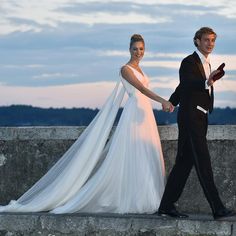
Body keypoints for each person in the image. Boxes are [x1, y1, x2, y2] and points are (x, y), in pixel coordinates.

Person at [0, 34, 173, 214]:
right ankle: (131, 200)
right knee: (132, 156)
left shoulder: (142, 70)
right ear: (129, 50)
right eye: (135, 49)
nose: (138, 52)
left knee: (145, 156)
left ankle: (147, 197)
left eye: (141, 49)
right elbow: (142, 89)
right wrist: (163, 100)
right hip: (133, 112)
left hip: (145, 115)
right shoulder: (125, 69)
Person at [157, 27, 236, 220]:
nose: (210, 43)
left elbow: (181, 87)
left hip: (200, 118)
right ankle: (218, 208)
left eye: (213, 40)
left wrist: (172, 101)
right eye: (206, 40)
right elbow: (188, 83)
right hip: (190, 118)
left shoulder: (207, 64)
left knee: (183, 164)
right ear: (197, 41)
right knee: (203, 162)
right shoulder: (188, 62)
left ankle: (166, 206)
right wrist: (206, 82)